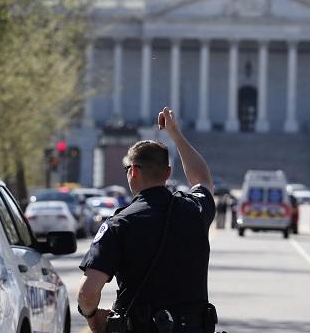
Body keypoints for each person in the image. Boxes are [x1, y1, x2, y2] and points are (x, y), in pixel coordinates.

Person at [77, 107, 217, 333]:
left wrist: (92, 317)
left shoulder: (119, 225)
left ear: (133, 171)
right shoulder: (195, 210)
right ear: (168, 173)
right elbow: (203, 180)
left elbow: (88, 292)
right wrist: (176, 135)